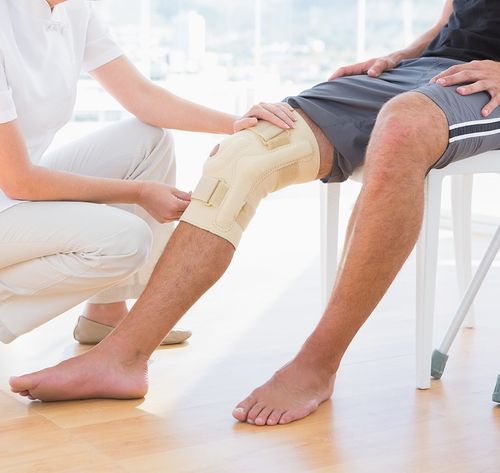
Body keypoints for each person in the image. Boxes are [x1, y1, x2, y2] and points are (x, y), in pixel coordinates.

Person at [9, 0, 500, 427]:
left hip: (489, 82)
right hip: (432, 69)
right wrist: (406, 54)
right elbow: (452, 17)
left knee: (401, 127)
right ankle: (122, 354)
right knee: (248, 150)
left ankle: (316, 365)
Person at [0, 0, 293, 347]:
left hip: (12, 191)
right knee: (127, 241)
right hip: (15, 184)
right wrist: (138, 193)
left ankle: (106, 316)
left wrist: (236, 125)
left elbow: (141, 96)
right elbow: (20, 180)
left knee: (148, 140)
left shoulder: (73, 9)